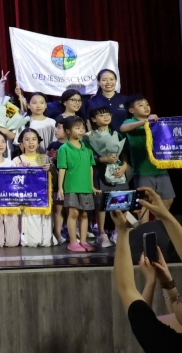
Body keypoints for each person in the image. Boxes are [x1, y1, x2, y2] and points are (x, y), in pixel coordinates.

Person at [109, 190, 182, 353]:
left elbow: (127, 290)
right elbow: (145, 316)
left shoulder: (168, 348)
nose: (179, 298)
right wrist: (165, 215)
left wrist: (122, 231)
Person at [85, 106, 131, 248]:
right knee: (101, 202)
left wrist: (124, 166)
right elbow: (87, 156)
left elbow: (124, 153)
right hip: (99, 171)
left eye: (107, 114)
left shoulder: (118, 134)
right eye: (101, 115)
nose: (106, 117)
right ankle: (101, 233)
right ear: (93, 119)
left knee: (119, 201)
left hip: (117, 171)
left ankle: (117, 231)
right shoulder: (89, 136)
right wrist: (102, 159)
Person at [121, 95, 174, 211]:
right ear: (131, 110)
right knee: (144, 202)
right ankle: (145, 224)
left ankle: (160, 221)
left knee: (168, 199)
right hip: (143, 171)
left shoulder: (156, 123)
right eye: (141, 105)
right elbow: (123, 128)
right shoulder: (130, 121)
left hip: (160, 168)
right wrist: (146, 121)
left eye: (147, 104)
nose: (146, 107)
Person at [57, 116, 98, 252]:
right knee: (73, 213)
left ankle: (84, 241)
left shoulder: (87, 149)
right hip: (71, 187)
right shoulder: (64, 148)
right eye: (77, 128)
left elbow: (90, 168)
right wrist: (60, 188)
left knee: (85, 214)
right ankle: (73, 242)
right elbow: (62, 168)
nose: (81, 130)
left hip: (85, 187)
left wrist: (92, 185)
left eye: (82, 128)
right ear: (68, 131)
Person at [11, 128, 57, 247]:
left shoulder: (45, 158)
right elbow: (12, 183)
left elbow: (54, 180)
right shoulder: (17, 160)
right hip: (27, 201)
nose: (31, 142)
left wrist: (51, 169)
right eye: (27, 139)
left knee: (46, 240)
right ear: (21, 143)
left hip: (44, 199)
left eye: (34, 139)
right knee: (32, 239)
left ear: (38, 142)